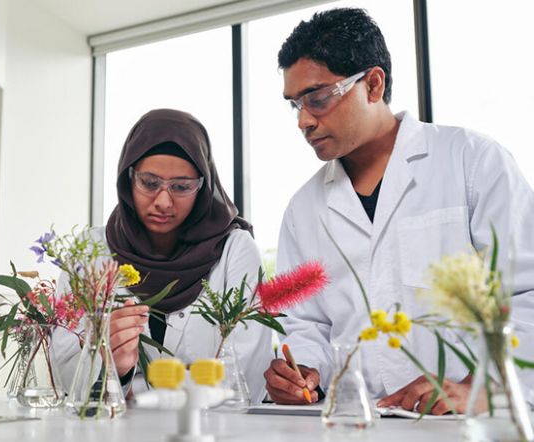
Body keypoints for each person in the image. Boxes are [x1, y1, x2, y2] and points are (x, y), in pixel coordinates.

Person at [263, 7, 534, 413]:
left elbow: (526, 291)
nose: (303, 121)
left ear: (373, 84)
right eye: (294, 105)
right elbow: (305, 323)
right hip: (357, 420)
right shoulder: (304, 209)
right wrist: (303, 369)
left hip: (468, 419)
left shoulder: (472, 162)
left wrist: (483, 388)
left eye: (317, 99)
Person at [55, 108, 272, 403]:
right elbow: (64, 372)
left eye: (181, 187)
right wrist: (113, 368)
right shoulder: (91, 250)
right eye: (150, 183)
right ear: (128, 178)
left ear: (203, 186)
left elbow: (246, 378)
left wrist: (141, 395)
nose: (163, 201)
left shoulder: (235, 251)